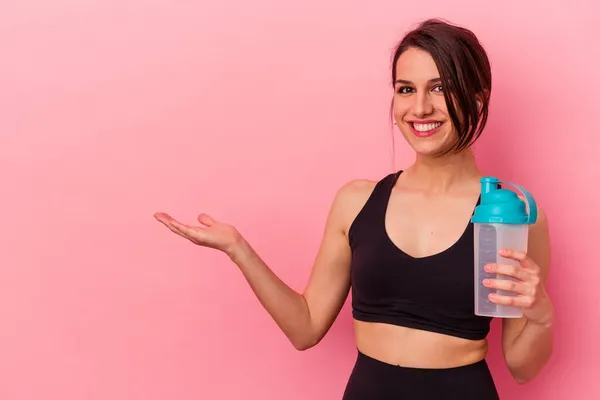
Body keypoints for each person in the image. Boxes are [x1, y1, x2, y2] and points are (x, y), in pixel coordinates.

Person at [154, 18, 554, 399]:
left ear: (477, 98)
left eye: (439, 88)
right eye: (406, 89)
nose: (420, 109)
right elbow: (305, 327)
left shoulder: (511, 215)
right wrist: (238, 248)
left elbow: (522, 367)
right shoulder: (357, 201)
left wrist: (540, 313)